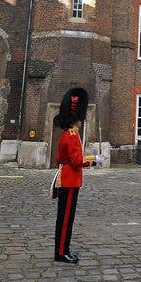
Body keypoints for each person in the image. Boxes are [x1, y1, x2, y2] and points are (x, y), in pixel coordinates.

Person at [53, 87, 97, 264]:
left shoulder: (68, 134)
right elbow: (77, 161)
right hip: (70, 180)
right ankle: (62, 252)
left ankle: (62, 249)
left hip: (68, 178)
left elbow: (65, 158)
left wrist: (92, 157)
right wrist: (94, 161)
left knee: (65, 217)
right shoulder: (71, 136)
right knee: (66, 219)